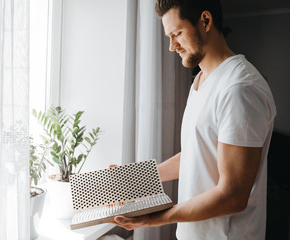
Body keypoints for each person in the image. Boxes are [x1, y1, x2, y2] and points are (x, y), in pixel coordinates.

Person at [113, 0, 277, 239]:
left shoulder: (239, 88)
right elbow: (198, 155)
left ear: (206, 21)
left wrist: (158, 217)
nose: (172, 46)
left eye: (177, 33)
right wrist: (136, 178)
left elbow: (233, 195)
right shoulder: (201, 80)